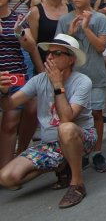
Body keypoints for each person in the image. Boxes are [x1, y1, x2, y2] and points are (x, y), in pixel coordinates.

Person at [0, 34, 95, 208]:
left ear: (70, 60)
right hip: (50, 144)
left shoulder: (83, 82)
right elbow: (9, 105)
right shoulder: (39, 80)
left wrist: (58, 85)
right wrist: (4, 92)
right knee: (7, 178)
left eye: (56, 53)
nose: (49, 57)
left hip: (81, 138)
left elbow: (66, 118)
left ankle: (77, 184)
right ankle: (60, 165)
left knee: (65, 128)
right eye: (48, 53)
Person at [56, 0, 106, 173]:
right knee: (72, 115)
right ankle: (79, 153)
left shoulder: (99, 19)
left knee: (96, 113)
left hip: (94, 73)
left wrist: (86, 28)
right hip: (72, 76)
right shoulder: (64, 20)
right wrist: (71, 34)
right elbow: (60, 51)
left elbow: (101, 47)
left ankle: (97, 152)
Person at [0, 0, 40, 169]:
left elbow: (31, 47)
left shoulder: (18, 19)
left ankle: (8, 167)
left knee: (10, 124)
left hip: (15, 76)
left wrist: (21, 36)